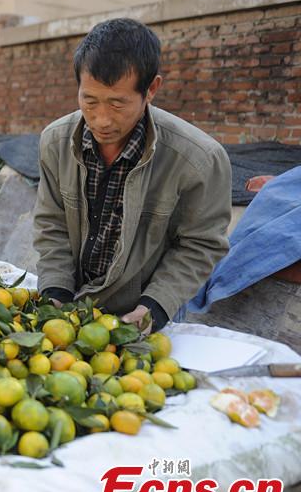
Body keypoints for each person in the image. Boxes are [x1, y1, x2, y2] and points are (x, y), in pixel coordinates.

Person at [33, 18, 231, 333]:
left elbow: (200, 245)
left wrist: (155, 306)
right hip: (71, 307)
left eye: (117, 104)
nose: (101, 120)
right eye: (89, 101)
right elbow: (52, 223)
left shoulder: (198, 160)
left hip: (143, 314)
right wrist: (56, 291)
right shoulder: (56, 142)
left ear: (151, 89)